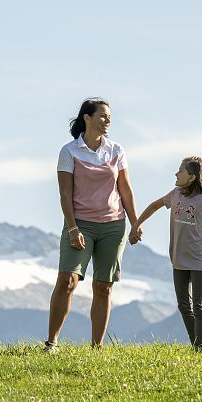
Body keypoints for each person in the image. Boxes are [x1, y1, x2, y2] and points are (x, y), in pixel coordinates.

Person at [45, 98, 141, 352]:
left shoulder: (116, 150)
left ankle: (96, 348)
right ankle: (52, 342)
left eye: (109, 116)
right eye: (102, 115)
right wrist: (73, 228)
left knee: (103, 287)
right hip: (80, 225)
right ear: (87, 118)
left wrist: (135, 223)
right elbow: (65, 194)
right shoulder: (69, 151)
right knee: (67, 280)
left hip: (113, 226)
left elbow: (125, 190)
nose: (108, 120)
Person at [129, 156, 202, 353]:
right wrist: (136, 225)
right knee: (183, 305)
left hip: (199, 260)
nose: (176, 174)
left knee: (199, 305)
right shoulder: (176, 194)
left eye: (180, 171)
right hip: (178, 259)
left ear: (191, 177)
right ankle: (197, 346)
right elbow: (155, 206)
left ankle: (201, 347)